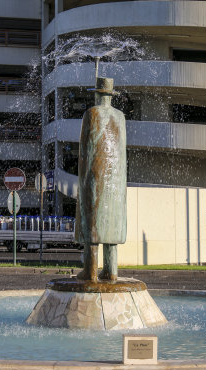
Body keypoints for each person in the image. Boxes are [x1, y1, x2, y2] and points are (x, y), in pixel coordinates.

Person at [75, 77, 126, 282]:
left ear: (97, 94)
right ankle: (111, 271)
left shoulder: (91, 113)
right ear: (111, 96)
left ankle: (91, 271)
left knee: (92, 220)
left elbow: (85, 148)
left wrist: (83, 176)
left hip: (95, 172)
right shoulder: (120, 116)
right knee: (112, 221)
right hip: (116, 177)